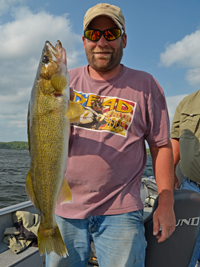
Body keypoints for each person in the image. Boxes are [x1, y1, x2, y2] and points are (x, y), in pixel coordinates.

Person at [46, 3, 175, 267]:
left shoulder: (146, 85)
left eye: (111, 34)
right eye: (94, 34)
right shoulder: (62, 84)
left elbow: (161, 146)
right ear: (83, 41)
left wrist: (166, 202)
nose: (101, 42)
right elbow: (46, 140)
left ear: (124, 40)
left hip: (121, 211)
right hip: (64, 209)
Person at [171, 90, 200, 267]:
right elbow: (175, 139)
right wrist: (171, 171)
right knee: (183, 252)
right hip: (191, 188)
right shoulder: (187, 102)